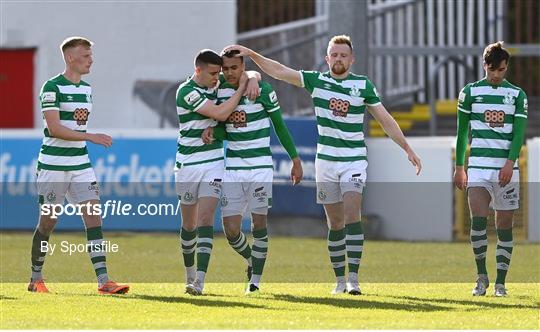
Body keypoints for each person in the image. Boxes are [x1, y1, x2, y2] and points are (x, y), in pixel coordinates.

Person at [223, 35, 422, 295]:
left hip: (353, 161)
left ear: (352, 59)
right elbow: (281, 72)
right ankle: (339, 280)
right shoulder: (317, 81)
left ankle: (353, 278)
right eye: (334, 55)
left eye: (343, 55)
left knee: (353, 214)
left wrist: (406, 147)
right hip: (326, 162)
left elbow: (384, 119)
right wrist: (251, 54)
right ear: (327, 59)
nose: (338, 59)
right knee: (335, 223)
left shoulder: (362, 85)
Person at [29, 36, 129, 294]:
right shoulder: (52, 87)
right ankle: (36, 278)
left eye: (91, 55)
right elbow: (55, 128)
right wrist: (90, 136)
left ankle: (103, 281)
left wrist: (86, 139)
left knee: (94, 217)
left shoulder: (86, 89)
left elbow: (75, 126)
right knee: (48, 221)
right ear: (70, 58)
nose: (91, 60)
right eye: (86, 55)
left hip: (81, 164)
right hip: (53, 164)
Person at [201, 50, 303, 294]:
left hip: (259, 169)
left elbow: (279, 125)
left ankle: (254, 282)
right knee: (231, 230)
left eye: (234, 68)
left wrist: (295, 159)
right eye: (225, 68)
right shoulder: (221, 90)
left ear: (242, 65)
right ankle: (250, 258)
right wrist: (215, 133)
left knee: (259, 223)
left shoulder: (263, 90)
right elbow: (228, 129)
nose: (229, 73)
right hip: (233, 169)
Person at [176, 49, 259, 296]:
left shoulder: (217, 80)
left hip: (212, 163)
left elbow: (249, 73)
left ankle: (199, 281)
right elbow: (221, 114)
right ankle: (190, 275)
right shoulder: (186, 91)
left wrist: (251, 78)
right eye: (213, 73)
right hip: (187, 165)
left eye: (220, 72)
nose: (218, 77)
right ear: (198, 70)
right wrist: (242, 86)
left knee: (204, 221)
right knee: (188, 225)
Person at [454, 41, 527, 297]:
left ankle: (501, 282)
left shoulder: (517, 95)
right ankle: (481, 277)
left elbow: (518, 134)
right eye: (493, 69)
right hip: (478, 168)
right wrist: (459, 166)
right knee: (478, 221)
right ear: (485, 66)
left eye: (502, 70)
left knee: (505, 224)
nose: (497, 75)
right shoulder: (470, 93)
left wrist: (510, 162)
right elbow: (463, 132)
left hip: (506, 169)